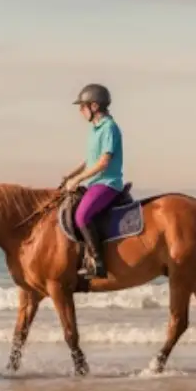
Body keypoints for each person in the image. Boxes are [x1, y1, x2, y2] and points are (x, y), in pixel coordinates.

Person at [58, 83, 125, 279]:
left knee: (82, 216)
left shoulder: (109, 128)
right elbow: (90, 160)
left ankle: (98, 262)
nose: (80, 111)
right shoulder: (95, 130)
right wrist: (71, 175)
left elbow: (104, 162)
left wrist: (79, 178)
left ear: (94, 106)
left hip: (108, 183)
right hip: (94, 183)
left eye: (82, 106)